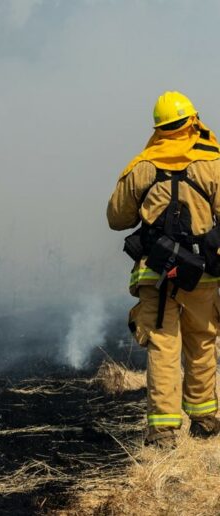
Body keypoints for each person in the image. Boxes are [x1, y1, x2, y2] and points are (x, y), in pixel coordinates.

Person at [107, 91, 220, 448]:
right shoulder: (213, 162)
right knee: (202, 342)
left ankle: (163, 434)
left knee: (163, 346)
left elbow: (117, 217)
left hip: (155, 274)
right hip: (203, 273)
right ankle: (205, 422)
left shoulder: (142, 165)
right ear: (192, 121)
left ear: (158, 128)